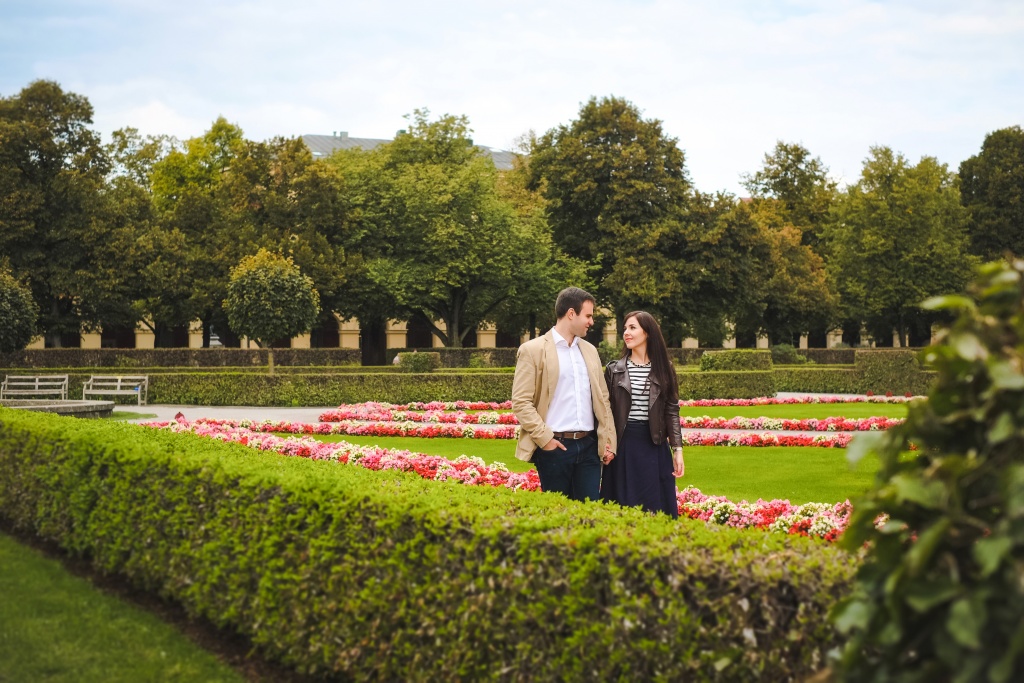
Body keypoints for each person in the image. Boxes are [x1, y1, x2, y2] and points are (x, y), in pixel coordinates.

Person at [511, 287, 616, 501]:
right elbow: (521, 402)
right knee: (557, 514)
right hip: (554, 447)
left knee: (589, 513)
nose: (591, 322)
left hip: (589, 447)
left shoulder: (590, 351)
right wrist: (546, 440)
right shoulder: (533, 350)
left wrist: (609, 441)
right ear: (571, 313)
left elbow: (603, 400)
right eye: (588, 316)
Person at [601, 311, 684, 517]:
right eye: (625, 329)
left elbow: (671, 410)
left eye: (632, 328)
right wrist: (606, 443)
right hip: (624, 445)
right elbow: (604, 411)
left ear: (647, 332)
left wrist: (677, 449)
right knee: (621, 508)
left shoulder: (665, 369)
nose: (626, 333)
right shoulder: (614, 370)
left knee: (656, 507)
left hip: (654, 445)